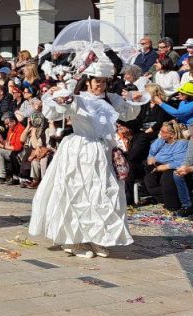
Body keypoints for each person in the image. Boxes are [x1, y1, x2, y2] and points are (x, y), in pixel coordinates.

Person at [29, 60, 140, 258]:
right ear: (88, 81)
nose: (100, 86)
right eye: (97, 81)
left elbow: (129, 113)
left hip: (105, 152)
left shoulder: (112, 99)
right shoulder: (78, 99)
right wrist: (60, 96)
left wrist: (134, 98)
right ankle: (74, 240)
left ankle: (98, 238)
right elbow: (52, 110)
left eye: (104, 82)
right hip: (80, 150)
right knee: (77, 194)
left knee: (104, 194)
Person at [142, 120, 190, 212]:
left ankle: (172, 205)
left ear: (172, 134)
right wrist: (151, 160)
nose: (161, 133)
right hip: (157, 165)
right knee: (148, 180)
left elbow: (180, 162)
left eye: (163, 132)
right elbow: (152, 153)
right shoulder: (161, 141)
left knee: (167, 179)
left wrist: (163, 167)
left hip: (172, 167)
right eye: (161, 130)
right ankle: (162, 198)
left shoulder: (181, 144)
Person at [0, 113, 24, 184]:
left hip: (17, 152)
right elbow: (8, 142)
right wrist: (1, 141)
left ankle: (2, 175)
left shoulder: (20, 129)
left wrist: (3, 146)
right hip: (10, 149)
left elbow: (17, 147)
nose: (7, 126)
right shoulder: (11, 128)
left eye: (8, 124)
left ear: (13, 122)